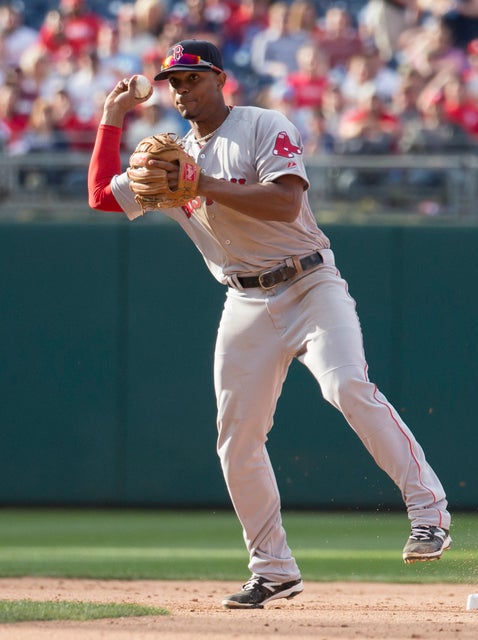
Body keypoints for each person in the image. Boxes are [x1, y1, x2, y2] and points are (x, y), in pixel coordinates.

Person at [86, 39, 452, 609]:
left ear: (220, 79)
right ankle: (273, 567)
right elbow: (100, 200)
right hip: (244, 302)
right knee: (236, 441)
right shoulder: (172, 154)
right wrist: (111, 120)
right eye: (174, 82)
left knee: (346, 386)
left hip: (309, 283)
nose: (182, 89)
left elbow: (284, 204)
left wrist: (201, 184)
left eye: (193, 78)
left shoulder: (261, 125)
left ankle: (430, 512)